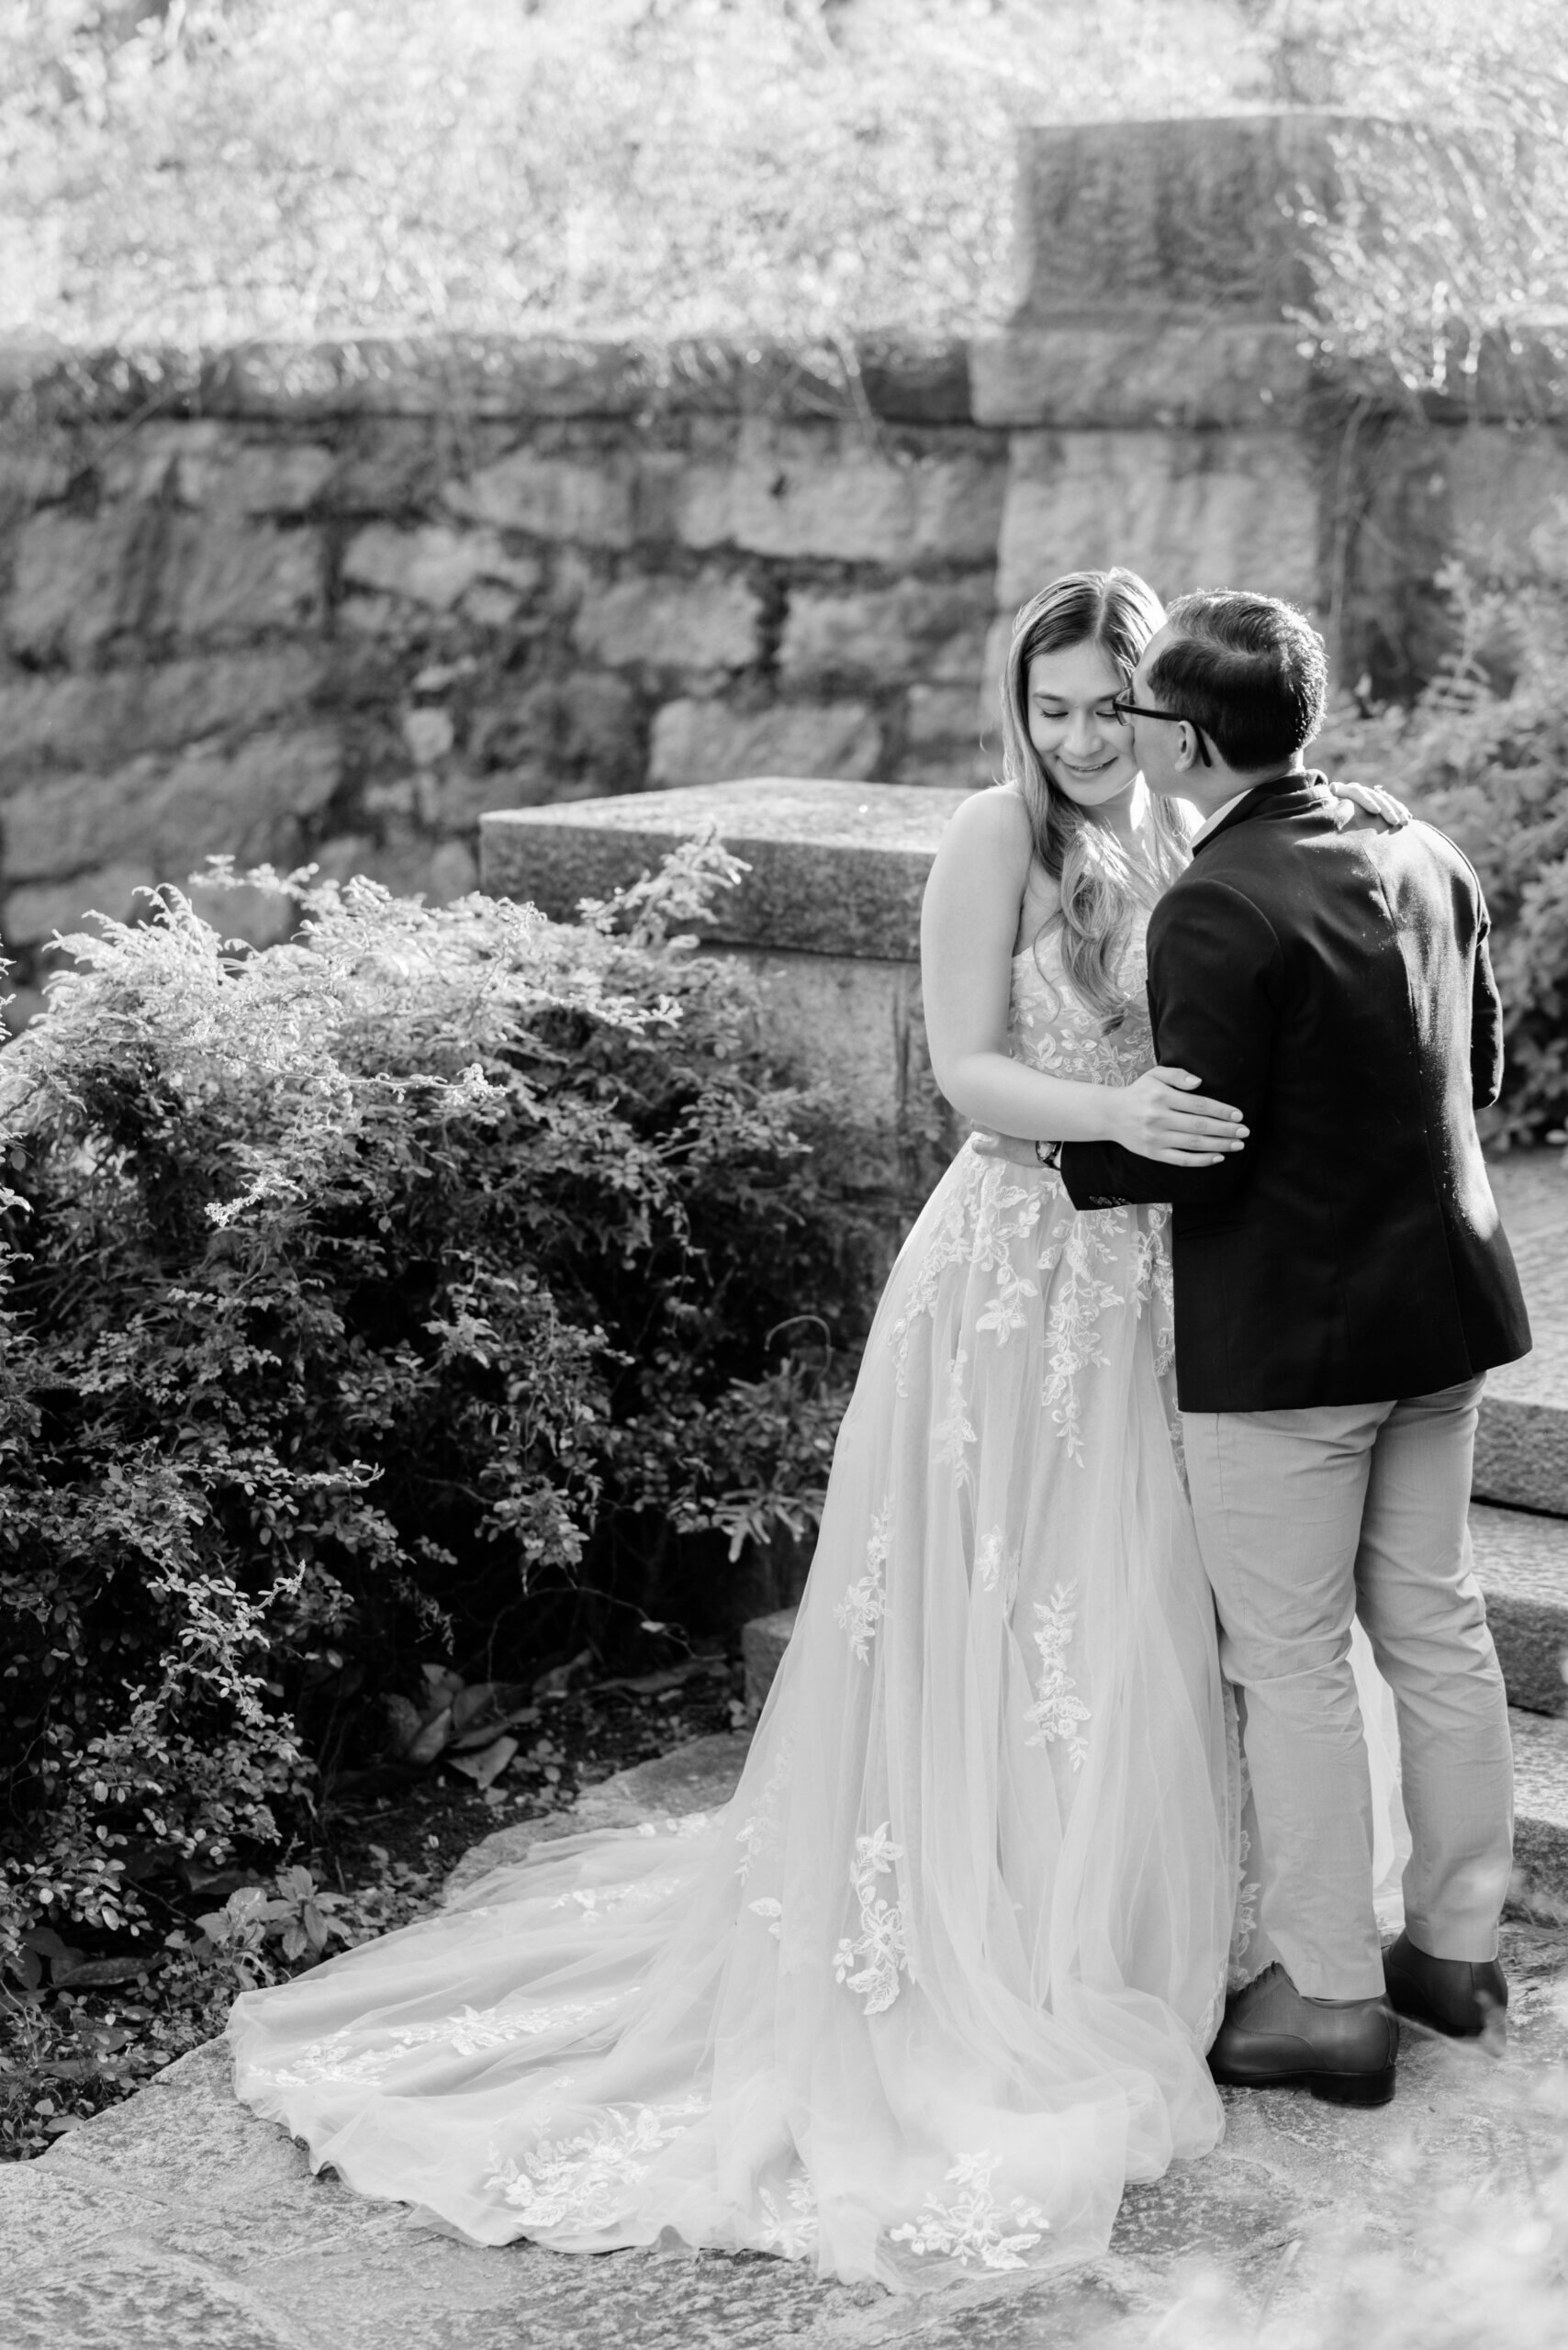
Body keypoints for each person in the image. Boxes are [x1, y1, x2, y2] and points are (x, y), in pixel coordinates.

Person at [227, 570, 1398, 2288]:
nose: (1078, 740)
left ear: (1159, 710)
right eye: (1049, 708)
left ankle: (1179, 1920)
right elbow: (969, 1070)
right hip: (1015, 1271)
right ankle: (999, 1936)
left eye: (1105, 709)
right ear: (1018, 707)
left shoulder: (1189, 833)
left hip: (1165, 1284)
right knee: (1012, 1608)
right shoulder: (994, 845)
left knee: (1148, 1602)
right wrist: (1117, 1108)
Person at [1029, 588, 1531, 2103]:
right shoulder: (1418, 846)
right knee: (1438, 1626)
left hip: (1295, 1354)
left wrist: (1070, 1157)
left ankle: (1327, 2000)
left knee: (1294, 1659)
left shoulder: (1218, 900)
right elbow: (1483, 1067)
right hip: (1443, 1316)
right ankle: (1452, 1951)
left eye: (1138, 716)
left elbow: (1198, 1149)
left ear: (1184, 737)